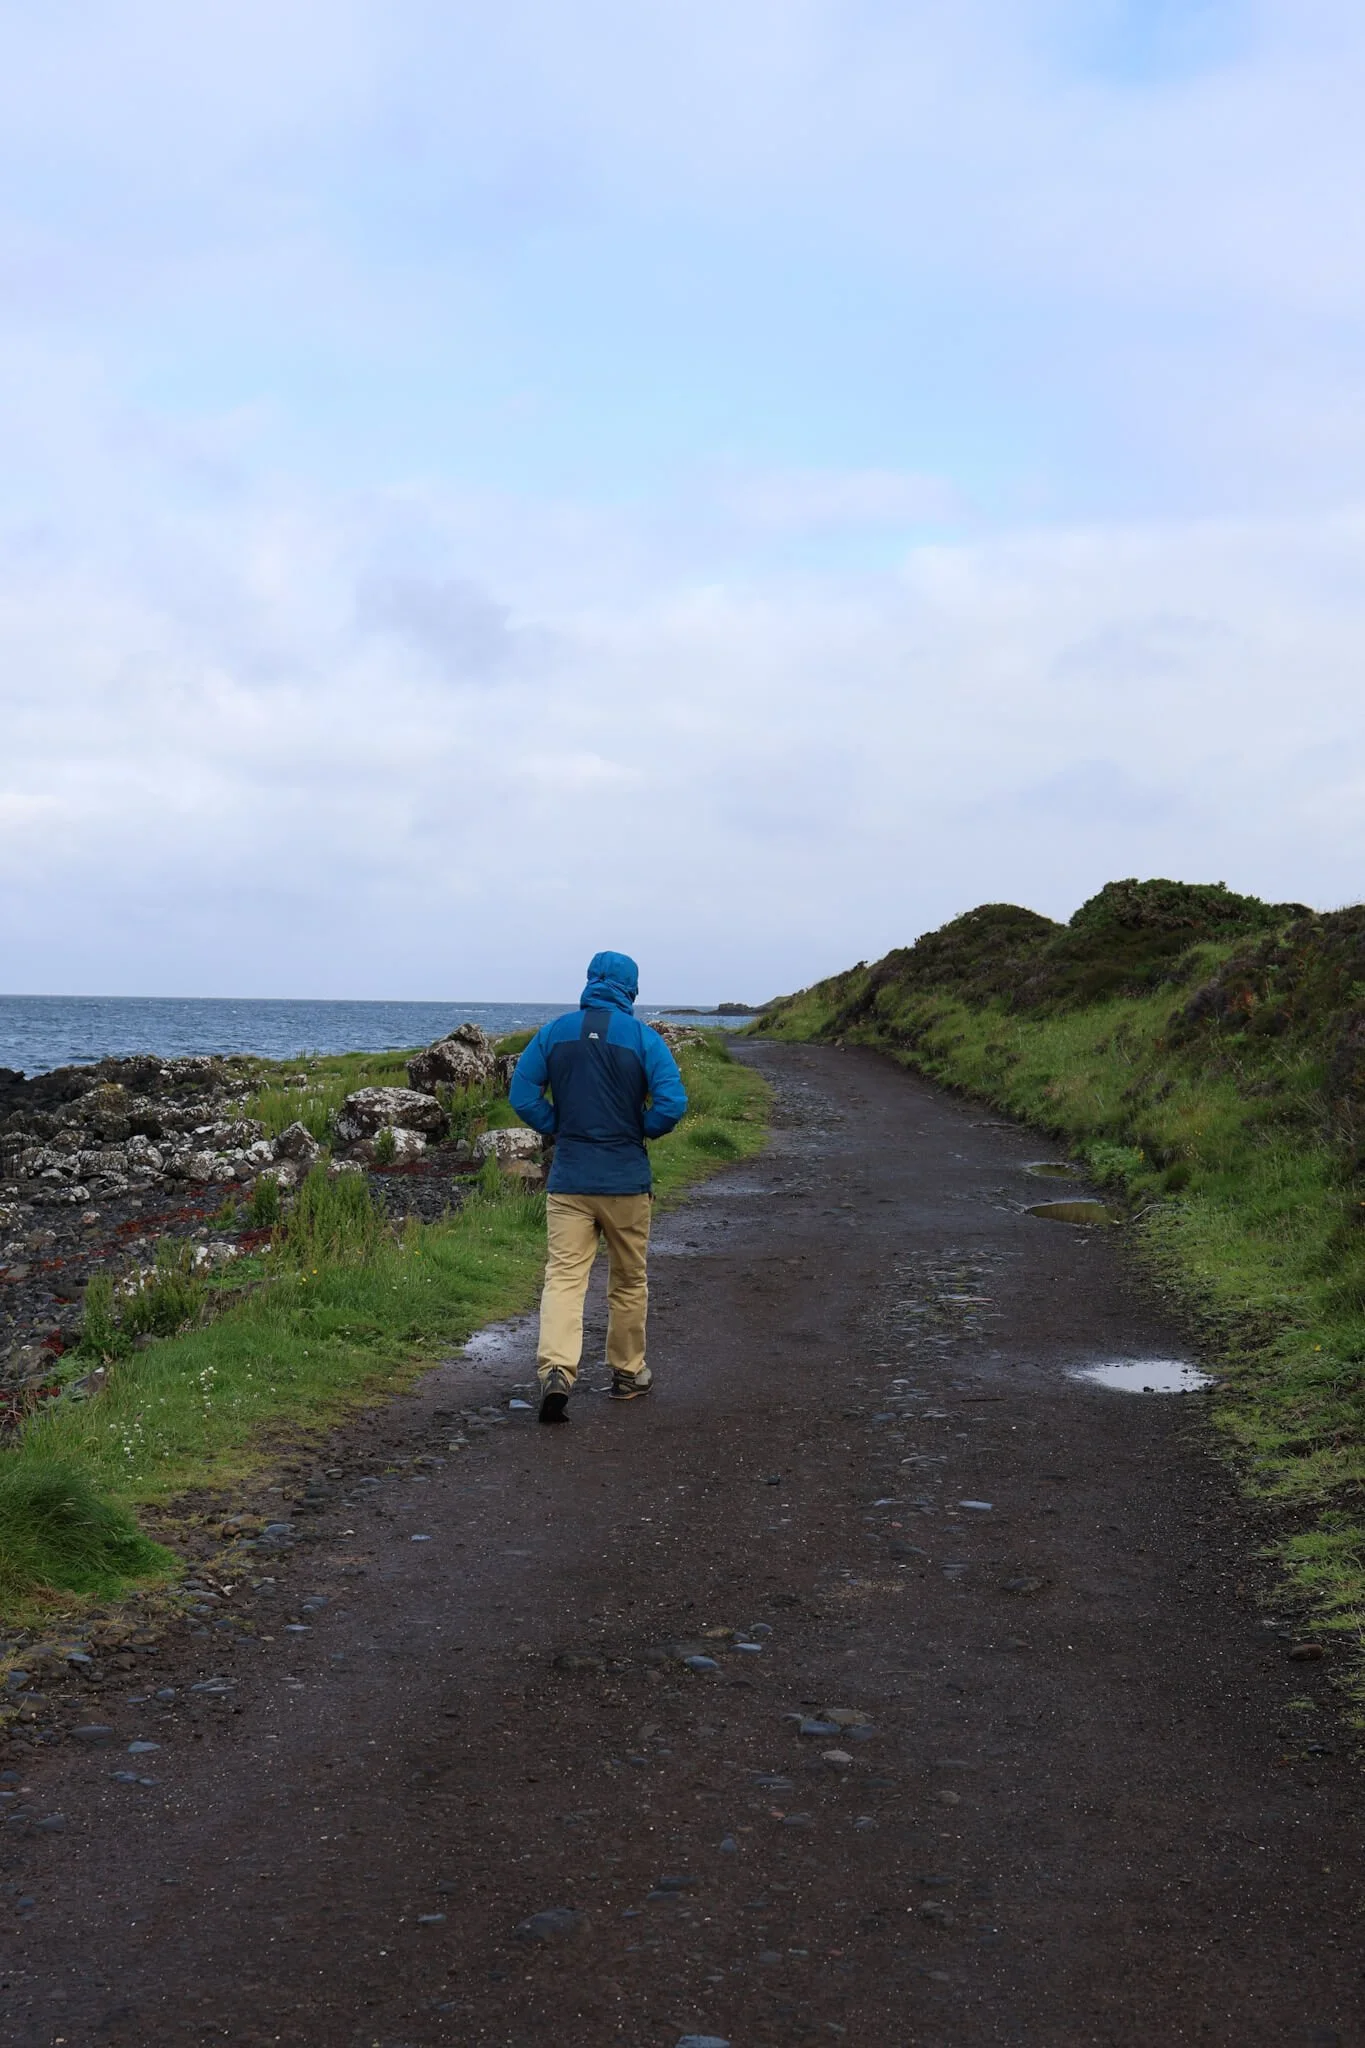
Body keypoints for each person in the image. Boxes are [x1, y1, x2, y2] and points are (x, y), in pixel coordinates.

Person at [509, 950, 688, 1424]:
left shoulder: (552, 1034)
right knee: (628, 1280)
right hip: (626, 1182)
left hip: (569, 1180)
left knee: (564, 1278)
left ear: (590, 981)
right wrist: (640, 1128)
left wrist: (557, 1123)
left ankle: (556, 1372)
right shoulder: (645, 1040)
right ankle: (628, 1374)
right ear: (631, 989)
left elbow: (522, 1093)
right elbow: (672, 1103)